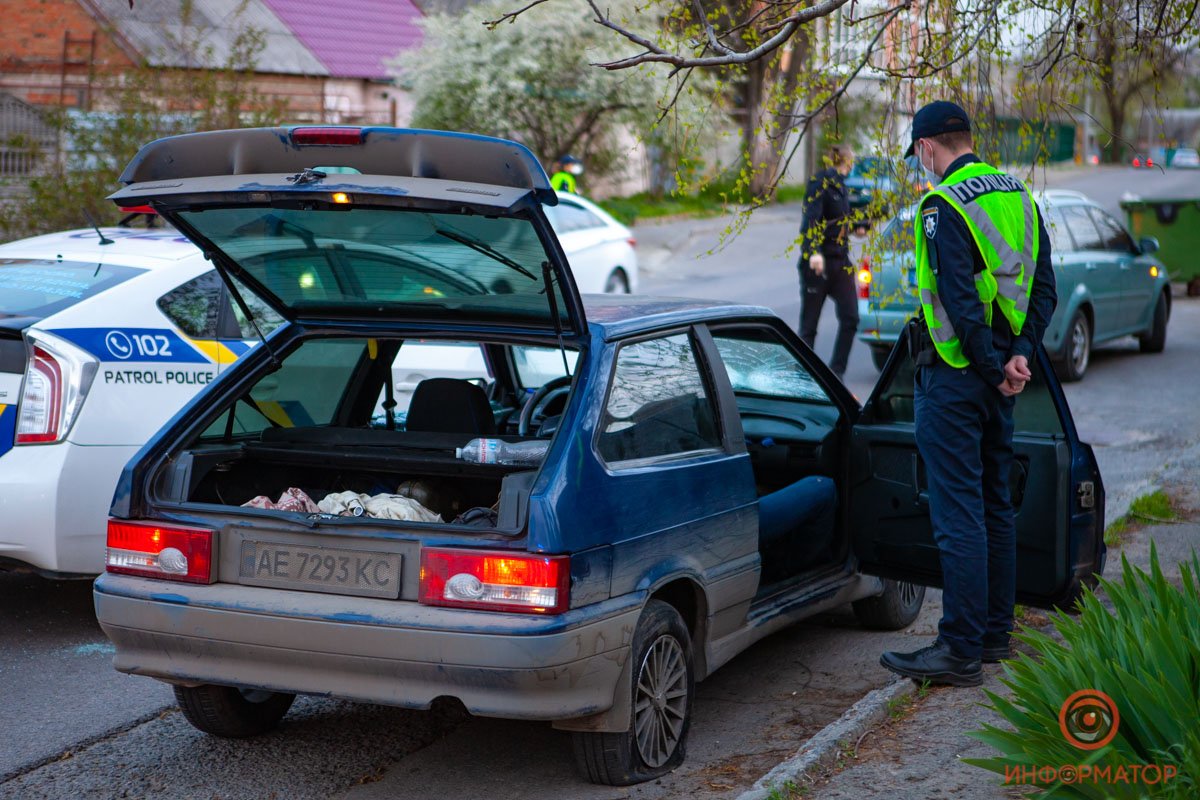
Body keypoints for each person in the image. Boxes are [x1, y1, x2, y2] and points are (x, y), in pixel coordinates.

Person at [879, 101, 1057, 686]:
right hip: (999, 379)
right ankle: (992, 636)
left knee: (959, 516)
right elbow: (1044, 291)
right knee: (994, 507)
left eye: (918, 156)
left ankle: (957, 651)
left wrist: (989, 365)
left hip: (957, 380)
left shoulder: (942, 204)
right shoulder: (1019, 197)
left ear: (928, 147)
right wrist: (1018, 358)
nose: (920, 166)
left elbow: (957, 301)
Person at [798, 145, 859, 381]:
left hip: (840, 262)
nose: (852, 163)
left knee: (851, 317)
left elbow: (837, 221)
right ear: (845, 160)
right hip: (819, 264)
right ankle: (803, 378)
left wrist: (856, 227)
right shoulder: (820, 183)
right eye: (851, 159)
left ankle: (836, 373)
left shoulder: (842, 186)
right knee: (808, 328)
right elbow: (810, 220)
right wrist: (812, 251)